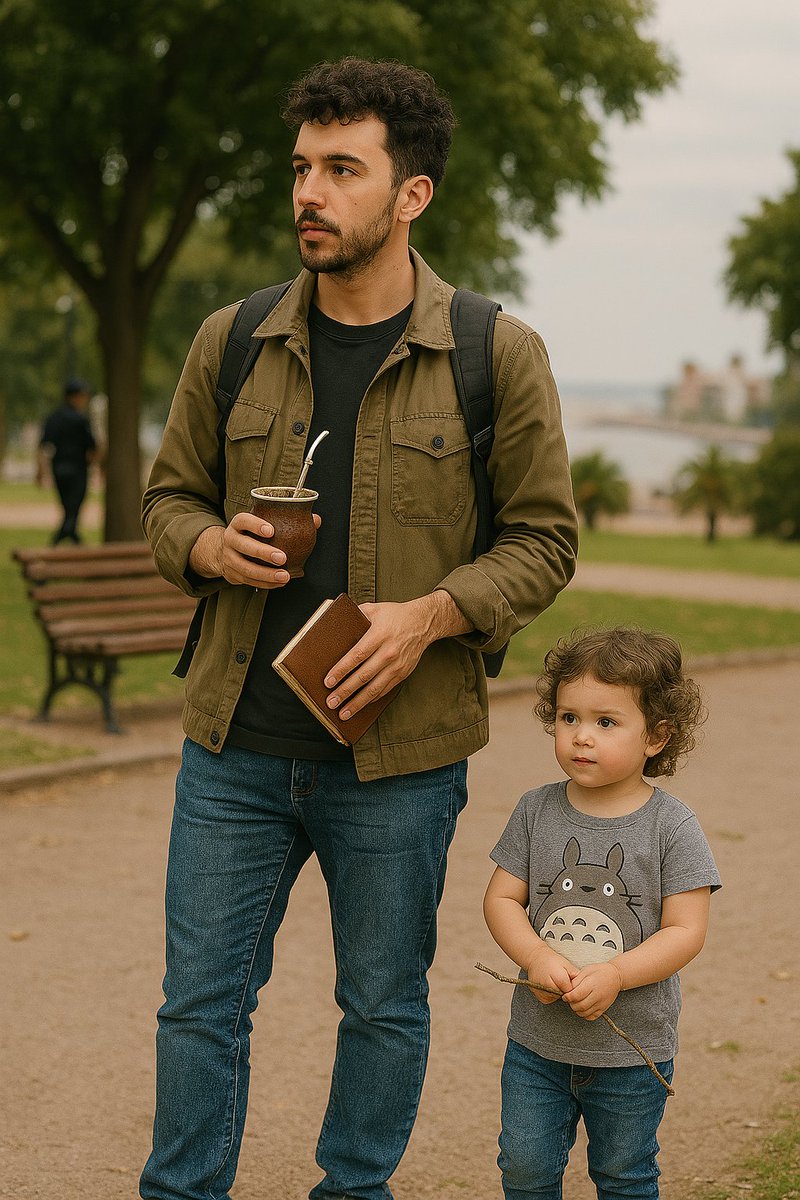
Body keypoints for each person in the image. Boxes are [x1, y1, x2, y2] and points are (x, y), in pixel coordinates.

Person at [140, 56, 578, 1200]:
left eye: (342, 169)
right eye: (300, 168)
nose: (309, 194)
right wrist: (203, 545)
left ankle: (354, 1190)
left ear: (410, 194)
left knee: (381, 1004)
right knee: (198, 1006)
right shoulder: (229, 339)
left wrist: (435, 612)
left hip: (397, 761)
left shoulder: (493, 351)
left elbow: (543, 540)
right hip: (232, 748)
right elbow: (164, 501)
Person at [484, 627, 721, 1199]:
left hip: (632, 1050)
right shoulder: (536, 810)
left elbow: (687, 931)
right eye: (569, 718)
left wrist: (617, 974)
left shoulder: (672, 826)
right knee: (524, 1169)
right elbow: (501, 898)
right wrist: (535, 955)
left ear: (657, 737)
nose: (581, 737)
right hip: (536, 1045)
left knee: (624, 1174)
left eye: (605, 722)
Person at [36, 377, 97, 544]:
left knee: (68, 507)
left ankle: (73, 539)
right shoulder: (81, 420)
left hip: (59, 469)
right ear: (75, 396)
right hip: (78, 469)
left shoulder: (54, 418)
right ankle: (61, 538)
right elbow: (92, 447)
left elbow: (44, 445)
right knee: (73, 509)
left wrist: (40, 471)